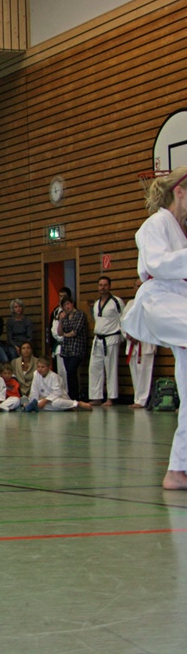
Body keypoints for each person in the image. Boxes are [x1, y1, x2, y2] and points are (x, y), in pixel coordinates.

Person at [119, 168, 187, 488]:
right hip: (160, 300)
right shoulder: (155, 224)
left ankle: (177, 470)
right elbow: (157, 264)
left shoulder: (181, 232)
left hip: (179, 304)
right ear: (180, 191)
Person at [88, 276, 124, 406]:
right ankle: (96, 397)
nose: (102, 287)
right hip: (98, 339)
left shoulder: (116, 301)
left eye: (105, 285)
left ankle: (111, 397)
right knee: (94, 368)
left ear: (110, 286)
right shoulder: (96, 303)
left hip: (111, 338)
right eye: (100, 285)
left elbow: (123, 319)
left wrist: (122, 337)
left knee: (111, 369)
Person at [122, 278, 156, 409]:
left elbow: (153, 323)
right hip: (132, 343)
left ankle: (142, 400)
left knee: (145, 372)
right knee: (134, 372)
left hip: (145, 343)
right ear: (134, 288)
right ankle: (137, 398)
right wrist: (128, 334)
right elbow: (123, 322)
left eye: (141, 286)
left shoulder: (152, 303)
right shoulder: (130, 304)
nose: (139, 288)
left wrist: (138, 335)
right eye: (137, 286)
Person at [25, 356, 92, 412]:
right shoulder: (36, 374)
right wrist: (34, 402)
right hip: (45, 400)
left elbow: (57, 392)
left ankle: (77, 404)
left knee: (55, 403)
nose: (40, 369)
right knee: (38, 403)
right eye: (38, 367)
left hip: (59, 398)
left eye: (43, 367)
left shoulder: (54, 376)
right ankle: (66, 408)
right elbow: (34, 390)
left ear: (49, 367)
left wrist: (45, 401)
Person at [56, 297, 87, 402]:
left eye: (68, 304)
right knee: (69, 372)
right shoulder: (64, 317)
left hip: (77, 347)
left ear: (72, 304)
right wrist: (60, 321)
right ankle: (71, 394)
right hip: (66, 348)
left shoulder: (80, 314)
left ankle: (75, 395)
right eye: (64, 305)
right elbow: (59, 332)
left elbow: (75, 331)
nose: (67, 307)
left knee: (71, 369)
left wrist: (65, 334)